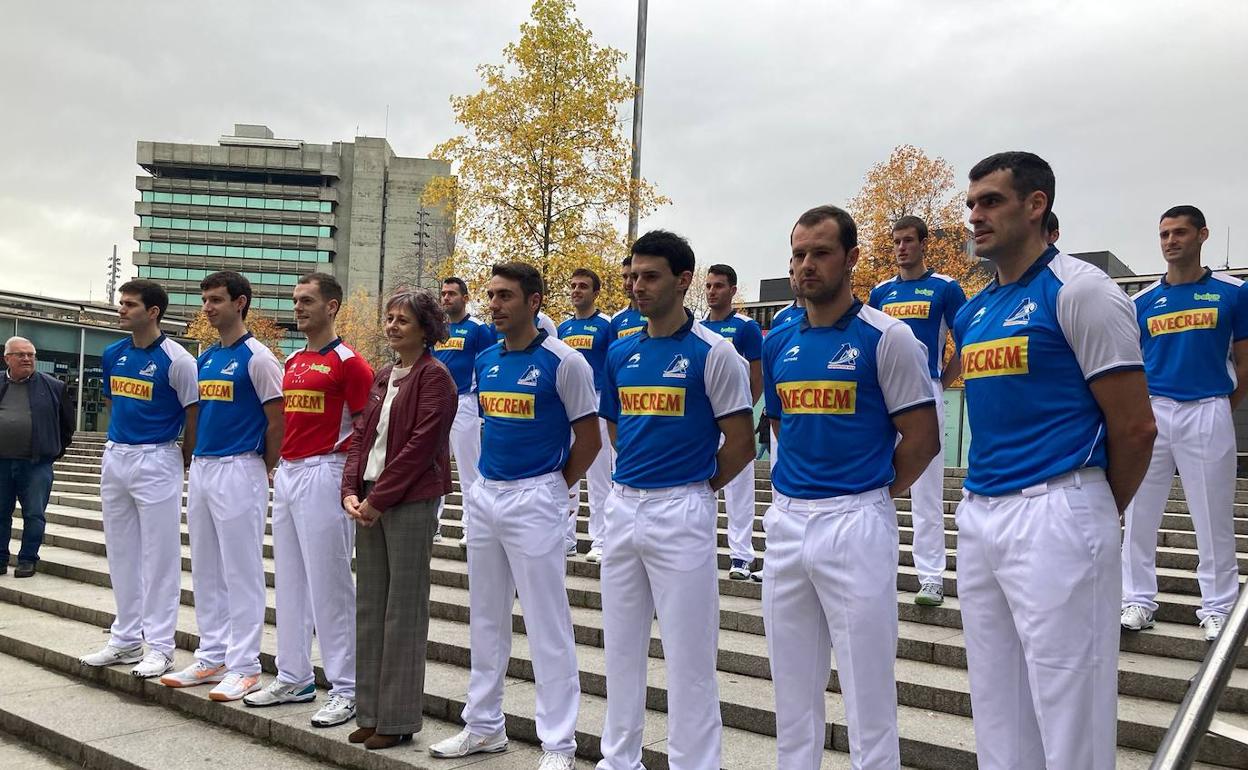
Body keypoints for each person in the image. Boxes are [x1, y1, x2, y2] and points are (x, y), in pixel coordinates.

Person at [954, 152, 1155, 768]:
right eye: (971, 204)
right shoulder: (972, 311)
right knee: (997, 704)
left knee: (1070, 708)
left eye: (990, 201)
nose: (975, 216)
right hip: (982, 512)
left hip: (1058, 507)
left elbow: (1136, 426)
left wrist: (1089, 508)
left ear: (1035, 204)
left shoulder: (1082, 290)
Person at [763, 205, 939, 769]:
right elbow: (779, 425)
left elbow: (922, 437)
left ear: (852, 258)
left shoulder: (889, 338)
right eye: (798, 255)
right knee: (791, 693)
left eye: (820, 253)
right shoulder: (777, 340)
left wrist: (871, 495)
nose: (806, 266)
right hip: (788, 520)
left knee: (867, 693)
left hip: (856, 520)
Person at [430, 263, 598, 769]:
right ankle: (483, 726)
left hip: (536, 497)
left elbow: (588, 439)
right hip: (488, 495)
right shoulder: (485, 359)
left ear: (535, 301)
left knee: (547, 622)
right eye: (491, 296)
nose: (496, 305)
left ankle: (558, 744)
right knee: (484, 616)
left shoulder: (564, 362)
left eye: (506, 296)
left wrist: (552, 488)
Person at [597, 231, 754, 770]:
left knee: (689, 657)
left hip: (682, 509)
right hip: (623, 506)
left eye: (650, 276)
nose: (636, 286)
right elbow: (618, 428)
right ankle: (618, 759)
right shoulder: (619, 350)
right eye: (632, 276)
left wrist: (698, 489)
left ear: (684, 281)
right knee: (619, 649)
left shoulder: (715, 353)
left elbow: (741, 442)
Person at [242, 273, 372, 726]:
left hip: (326, 472)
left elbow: (364, 430)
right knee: (292, 581)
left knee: (331, 584)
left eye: (308, 301)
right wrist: (279, 463)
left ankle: (347, 687)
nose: (298, 307)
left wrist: (351, 484)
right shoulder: (293, 358)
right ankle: (294, 675)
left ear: (332, 307)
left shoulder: (350, 362)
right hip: (292, 473)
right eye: (295, 300)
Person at [1121, 205, 1247, 642]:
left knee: (1213, 518)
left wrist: (1222, 404)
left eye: (1179, 233)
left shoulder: (1233, 292)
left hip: (1208, 407)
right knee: (1139, 514)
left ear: (1202, 235)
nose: (1171, 241)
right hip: (1154, 410)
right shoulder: (1140, 302)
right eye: (1164, 234)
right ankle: (1136, 600)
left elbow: (1245, 362)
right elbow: (1131, 364)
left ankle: (1218, 608)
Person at [160, 271, 285, 702]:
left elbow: (277, 421)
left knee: (242, 568)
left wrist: (263, 466)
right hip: (205, 468)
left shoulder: (260, 358)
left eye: (216, 300)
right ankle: (211, 654)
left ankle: (246, 664)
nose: (208, 308)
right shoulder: (206, 357)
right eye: (206, 300)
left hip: (240, 467)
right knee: (207, 566)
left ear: (241, 302)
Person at [342, 289, 457, 750]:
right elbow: (361, 437)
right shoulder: (384, 375)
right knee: (371, 608)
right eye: (389, 319)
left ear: (426, 328)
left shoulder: (437, 378)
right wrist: (350, 489)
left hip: (408, 499)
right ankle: (370, 712)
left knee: (402, 612)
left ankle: (399, 717)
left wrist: (379, 499)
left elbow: (420, 449)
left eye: (402, 321)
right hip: (370, 497)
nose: (392, 326)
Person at [79, 281, 197, 678]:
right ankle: (126, 638)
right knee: (121, 551)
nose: (121, 309)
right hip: (117, 456)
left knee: (160, 556)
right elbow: (115, 403)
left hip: (158, 456)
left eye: (130, 305)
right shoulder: (113, 353)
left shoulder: (177, 359)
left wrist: (182, 456)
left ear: (153, 312)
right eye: (121, 303)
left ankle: (160, 647)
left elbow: (192, 411)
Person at [867, 215, 967, 606]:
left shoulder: (945, 288)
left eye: (909, 240)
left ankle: (931, 578)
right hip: (882, 395)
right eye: (896, 241)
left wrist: (942, 381)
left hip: (923, 389)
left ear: (924, 244)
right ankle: (878, 568)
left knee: (926, 489)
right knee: (878, 482)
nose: (901, 247)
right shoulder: (880, 293)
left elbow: (966, 340)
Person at [701, 263, 764, 581]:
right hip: (703, 426)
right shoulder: (697, 328)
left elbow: (757, 375)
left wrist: (740, 414)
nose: (713, 291)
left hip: (732, 423)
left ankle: (741, 556)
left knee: (739, 490)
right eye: (709, 286)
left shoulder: (745, 328)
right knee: (702, 487)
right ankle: (703, 549)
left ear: (732, 290)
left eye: (719, 286)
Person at [0, 337, 75, 578]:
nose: (27, 359)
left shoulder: (54, 386)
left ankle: (28, 559)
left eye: (31, 355)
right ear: (7, 359)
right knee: (0, 513)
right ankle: (1, 559)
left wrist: (52, 451)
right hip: (2, 463)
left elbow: (67, 425)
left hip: (36, 465)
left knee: (34, 514)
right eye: (20, 354)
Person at [433, 277, 495, 547]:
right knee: (434, 466)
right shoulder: (437, 329)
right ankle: (432, 525)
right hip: (436, 404)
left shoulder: (478, 329)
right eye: (443, 294)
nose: (446, 298)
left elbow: (487, 367)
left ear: (465, 298)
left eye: (451, 294)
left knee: (469, 469)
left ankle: (472, 527)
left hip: (465, 402)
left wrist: (483, 410)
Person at [558, 267, 615, 561]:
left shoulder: (607, 325)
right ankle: (566, 537)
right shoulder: (563, 328)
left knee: (598, 473)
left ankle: (600, 539)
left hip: (597, 399)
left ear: (595, 293)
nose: (576, 290)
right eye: (573, 285)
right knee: (567, 470)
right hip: (567, 402)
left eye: (583, 286)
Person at [609, 255, 647, 343]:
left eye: (633, 277)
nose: (628, 283)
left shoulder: (658, 315)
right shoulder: (616, 319)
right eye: (625, 277)